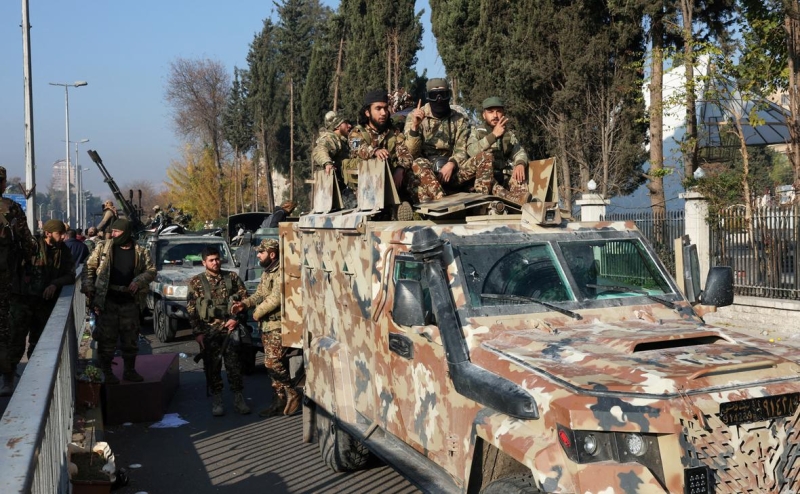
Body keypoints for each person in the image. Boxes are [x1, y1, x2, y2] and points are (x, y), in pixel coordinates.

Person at [82, 218, 155, 385]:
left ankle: (129, 370)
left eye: (117, 232)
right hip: (108, 300)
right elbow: (89, 267)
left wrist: (139, 280)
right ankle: (106, 372)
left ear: (126, 233)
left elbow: (151, 270)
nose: (113, 234)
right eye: (112, 231)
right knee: (107, 339)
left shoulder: (140, 251)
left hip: (130, 301)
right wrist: (88, 286)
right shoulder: (104, 247)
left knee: (130, 339)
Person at [6, 220, 75, 394]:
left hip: (43, 303)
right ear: (48, 233)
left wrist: (55, 284)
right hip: (22, 300)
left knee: (38, 343)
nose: (63, 237)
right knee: (15, 340)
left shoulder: (63, 251)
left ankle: (34, 378)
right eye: (60, 234)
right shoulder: (31, 246)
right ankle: (8, 378)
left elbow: (70, 275)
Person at [232, 239, 299, 417]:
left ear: (272, 254)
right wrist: (244, 304)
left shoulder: (281, 272)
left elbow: (276, 297)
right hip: (267, 326)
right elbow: (260, 294)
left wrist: (257, 312)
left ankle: (292, 392)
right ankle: (279, 401)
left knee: (272, 362)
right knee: (272, 367)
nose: (258, 256)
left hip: (279, 325)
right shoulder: (268, 271)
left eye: (260, 253)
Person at [187, 246, 250, 416]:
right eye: (211, 260)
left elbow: (245, 301)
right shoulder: (196, 282)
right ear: (204, 262)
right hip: (209, 332)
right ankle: (217, 399)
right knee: (212, 367)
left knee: (234, 365)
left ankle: (238, 398)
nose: (215, 263)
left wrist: (235, 319)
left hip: (230, 329)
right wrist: (197, 333)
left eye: (217, 259)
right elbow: (192, 310)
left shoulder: (232, 278)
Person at [405, 78, 491, 201]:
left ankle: (481, 204)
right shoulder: (415, 116)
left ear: (449, 96)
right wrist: (415, 127)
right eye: (434, 96)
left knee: (485, 157)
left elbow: (461, 150)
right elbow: (410, 153)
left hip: (452, 171)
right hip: (426, 172)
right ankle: (442, 202)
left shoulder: (459, 118)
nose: (439, 99)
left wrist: (452, 164)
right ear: (428, 97)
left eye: (443, 95)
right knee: (418, 164)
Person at [349, 89, 417, 219]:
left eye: (385, 108)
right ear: (367, 112)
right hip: (365, 186)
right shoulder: (356, 133)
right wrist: (374, 151)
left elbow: (405, 153)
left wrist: (400, 168)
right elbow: (357, 147)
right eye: (378, 109)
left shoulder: (394, 132)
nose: (383, 113)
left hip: (391, 182)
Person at [0, 166, 36, 397]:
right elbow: (28, 244)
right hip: (7, 282)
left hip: (7, 280)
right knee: (5, 330)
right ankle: (7, 377)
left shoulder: (11, 209)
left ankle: (8, 376)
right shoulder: (10, 209)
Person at [466, 97, 532, 205]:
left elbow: (519, 152)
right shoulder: (477, 132)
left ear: (503, 114)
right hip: (483, 178)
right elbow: (471, 151)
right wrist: (493, 136)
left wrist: (520, 164)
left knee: (519, 177)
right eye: (490, 112)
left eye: (498, 111)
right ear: (484, 115)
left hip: (503, 176)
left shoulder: (507, 134)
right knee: (491, 183)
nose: (495, 115)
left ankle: (521, 205)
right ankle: (508, 199)